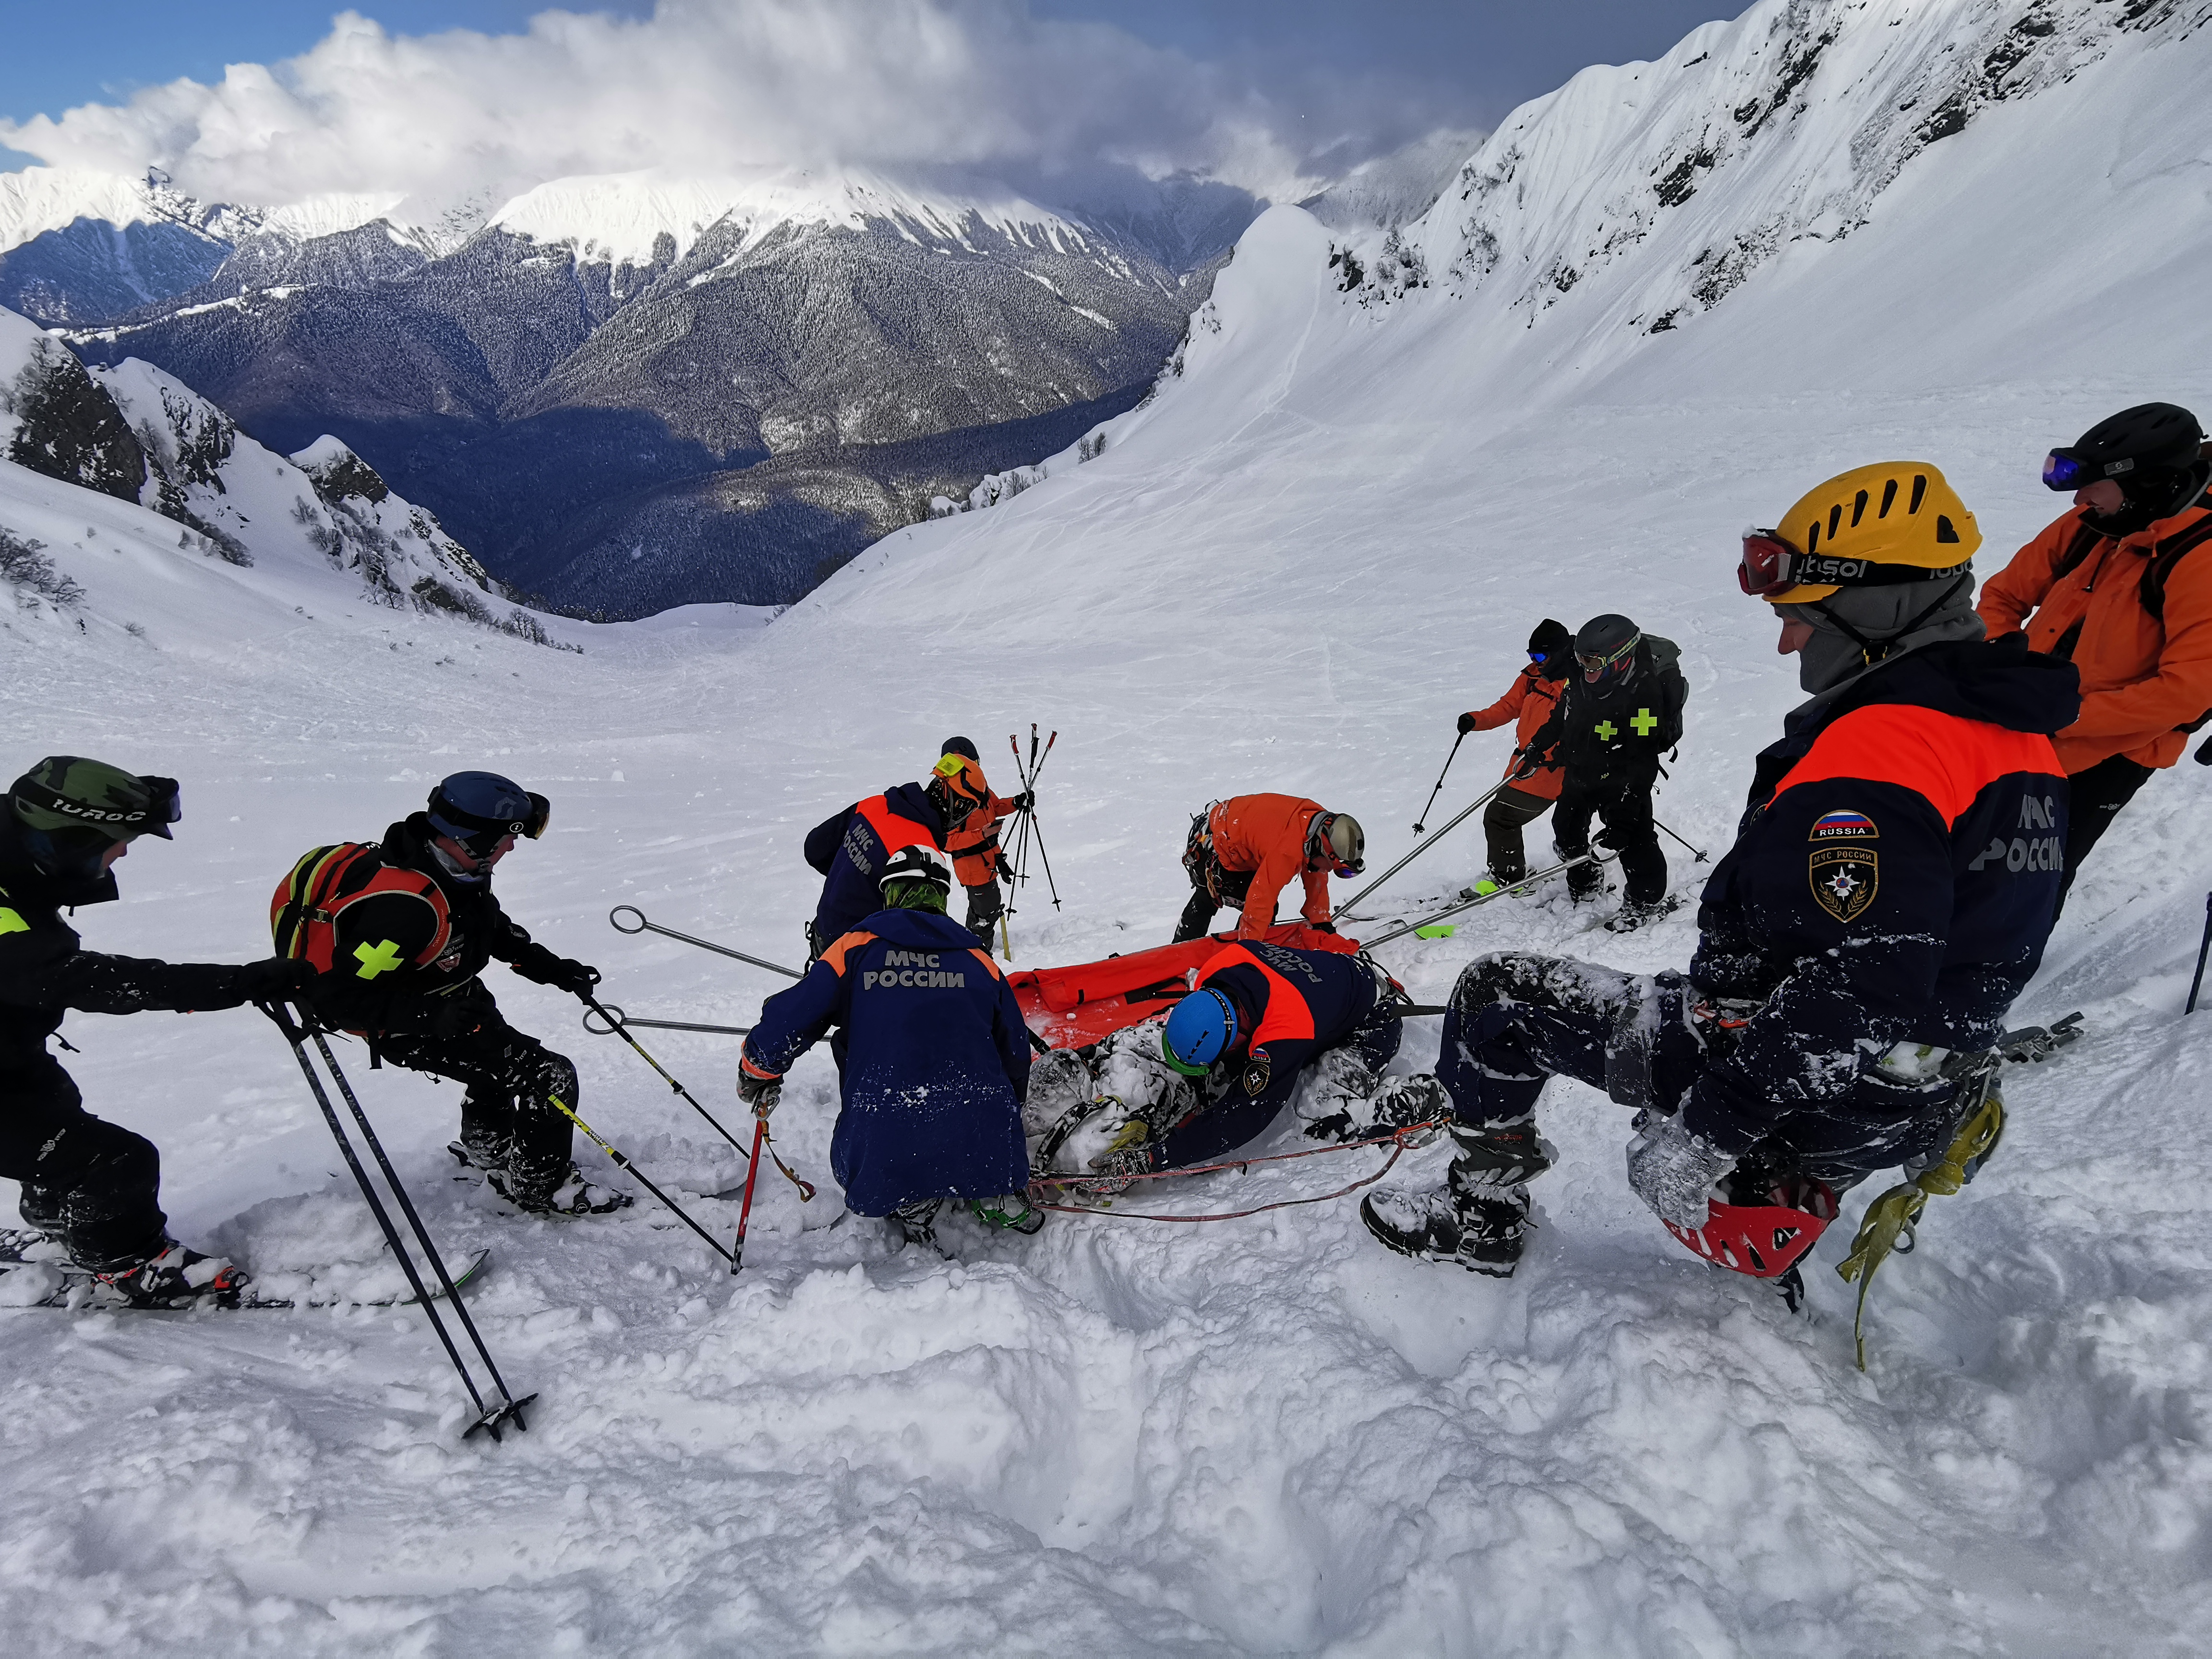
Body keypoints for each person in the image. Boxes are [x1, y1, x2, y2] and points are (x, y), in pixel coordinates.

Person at [1362, 461, 2078, 1284]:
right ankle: (1794, 1174)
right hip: (1914, 1085)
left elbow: (1865, 980)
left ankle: (1480, 1215)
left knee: (1497, 996)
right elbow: (1972, 936)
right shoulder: (2017, 742)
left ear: (1872, 607)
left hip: (1812, 1082)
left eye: (1799, 617)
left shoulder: (1882, 754)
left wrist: (1707, 1130)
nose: (1786, 640)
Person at [0, 757, 315, 1306]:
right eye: (117, 840)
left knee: (54, 1104)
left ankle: (63, 1221)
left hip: (9, 1050)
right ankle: (133, 1266)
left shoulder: (17, 861)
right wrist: (235, 983)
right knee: (116, 1160)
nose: (122, 853)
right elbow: (89, 981)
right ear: (69, 837)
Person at [291, 771, 629, 1217]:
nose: (510, 848)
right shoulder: (402, 912)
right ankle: (542, 1187)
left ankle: (491, 1152)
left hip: (457, 998)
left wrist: (554, 970)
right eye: (506, 837)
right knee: (550, 1077)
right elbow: (338, 998)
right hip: (410, 1023)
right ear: (470, 838)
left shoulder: (455, 871)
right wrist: (431, 1018)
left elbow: (487, 927)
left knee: (498, 1068)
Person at [1974, 401, 2212, 911]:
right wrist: (1997, 666)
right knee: (1971, 850)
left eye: (2094, 485)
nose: (2080, 498)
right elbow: (2004, 595)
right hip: (2024, 719)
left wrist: (2062, 717)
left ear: (2149, 483)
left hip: (2111, 748)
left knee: (2030, 875)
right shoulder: (2095, 520)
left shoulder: (2200, 555)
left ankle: (1986, 978)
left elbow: (2188, 692)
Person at [738, 846, 1036, 1251]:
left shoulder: (855, 947)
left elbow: (794, 1015)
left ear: (890, 891)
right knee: (982, 1125)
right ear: (943, 897)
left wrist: (759, 1066)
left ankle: (912, 1199)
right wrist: (1009, 1108)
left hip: (884, 1129)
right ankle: (991, 1185)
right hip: (984, 1129)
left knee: (884, 1135)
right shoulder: (977, 957)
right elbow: (1015, 1047)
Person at [1036, 938, 1440, 1187]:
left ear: (1243, 1038)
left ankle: (1412, 1103)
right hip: (1325, 981)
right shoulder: (1219, 968)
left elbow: (1242, 1117)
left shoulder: (1285, 1029)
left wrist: (1154, 1159)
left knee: (1324, 1112)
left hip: (1371, 1019)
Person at [1523, 613, 1687, 929]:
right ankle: (1586, 882)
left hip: (1622, 777)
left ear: (1620, 659)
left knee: (1634, 842)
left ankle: (1644, 902)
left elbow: (1642, 760)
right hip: (1581, 769)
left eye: (1593, 662)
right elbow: (1563, 714)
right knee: (1567, 829)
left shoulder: (1643, 696)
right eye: (1581, 660)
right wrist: (1538, 745)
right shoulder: (1583, 676)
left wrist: (1623, 823)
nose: (1586, 668)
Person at [803, 751, 987, 961]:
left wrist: (856, 873)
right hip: (856, 960)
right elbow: (921, 941)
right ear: (958, 804)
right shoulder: (923, 853)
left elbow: (815, 849)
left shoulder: (874, 805)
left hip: (823, 934)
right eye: (969, 810)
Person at [1458, 618, 1572, 885]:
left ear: (1559, 652)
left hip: (1552, 768)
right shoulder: (1533, 676)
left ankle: (1509, 877)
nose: (1535, 661)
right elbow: (1509, 706)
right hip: (1527, 764)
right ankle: (1580, 875)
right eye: (1531, 655)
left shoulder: (1576, 682)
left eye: (1540, 655)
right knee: (1565, 828)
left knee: (1501, 817)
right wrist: (1476, 720)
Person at [1172, 795, 1364, 944]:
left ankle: (1202, 946)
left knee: (1257, 908)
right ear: (1324, 850)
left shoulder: (1318, 825)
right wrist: (1249, 948)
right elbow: (1261, 898)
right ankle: (1183, 952)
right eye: (1338, 870)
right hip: (1217, 843)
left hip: (1233, 826)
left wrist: (1320, 918)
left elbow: (1316, 872)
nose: (1330, 872)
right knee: (1228, 900)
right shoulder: (1286, 850)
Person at [937, 737, 1033, 943]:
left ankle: (972, 940)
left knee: (983, 906)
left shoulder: (978, 786)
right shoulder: (949, 799)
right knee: (987, 908)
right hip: (972, 866)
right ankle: (979, 949)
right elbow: (947, 842)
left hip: (989, 858)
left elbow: (996, 807)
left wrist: (1016, 802)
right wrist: (982, 834)